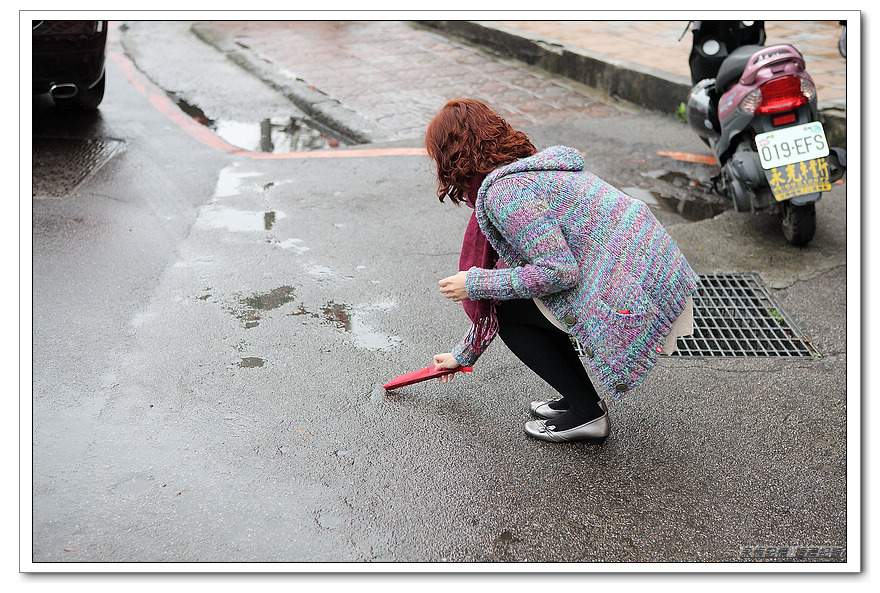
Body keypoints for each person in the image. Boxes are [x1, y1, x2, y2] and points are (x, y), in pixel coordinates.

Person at [424, 98, 699, 444]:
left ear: (451, 156)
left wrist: (475, 283)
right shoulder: (527, 169)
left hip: (634, 288)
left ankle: (587, 415)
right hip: (651, 275)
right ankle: (581, 400)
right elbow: (528, 268)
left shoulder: (505, 192)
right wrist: (463, 356)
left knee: (513, 313)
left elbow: (559, 272)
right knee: (528, 301)